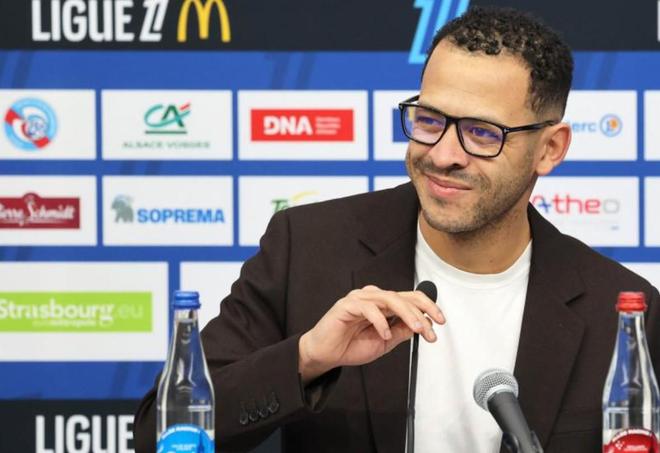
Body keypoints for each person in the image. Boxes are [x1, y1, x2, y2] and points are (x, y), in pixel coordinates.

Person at [134, 6, 660, 453]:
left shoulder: (620, 309)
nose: (443, 155)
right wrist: (307, 358)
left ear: (550, 148)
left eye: (482, 133)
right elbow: (156, 434)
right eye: (429, 120)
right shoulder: (307, 249)